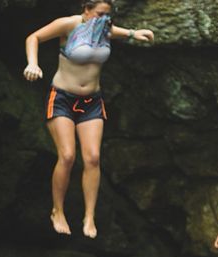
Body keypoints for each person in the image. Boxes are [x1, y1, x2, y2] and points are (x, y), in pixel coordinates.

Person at [24, 0, 154, 238]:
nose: (104, 19)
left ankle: (89, 216)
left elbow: (113, 31)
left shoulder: (104, 26)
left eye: (107, 15)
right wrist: (33, 63)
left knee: (93, 158)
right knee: (67, 156)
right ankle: (57, 211)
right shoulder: (68, 25)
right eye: (100, 14)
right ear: (86, 10)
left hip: (91, 101)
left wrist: (133, 34)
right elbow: (34, 38)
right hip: (62, 98)